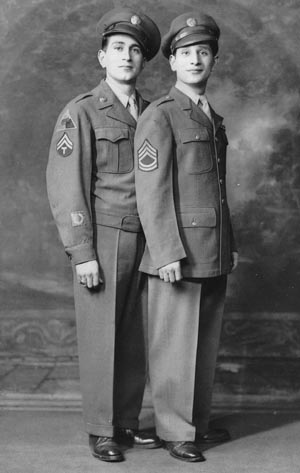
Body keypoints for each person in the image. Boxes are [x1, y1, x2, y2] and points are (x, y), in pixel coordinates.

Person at [46, 8, 161, 463]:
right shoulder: (82, 112)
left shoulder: (153, 113)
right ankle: (101, 429)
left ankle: (127, 423)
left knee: (134, 337)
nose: (127, 56)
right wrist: (82, 252)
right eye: (118, 48)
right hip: (105, 237)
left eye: (136, 50)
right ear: (102, 57)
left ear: (143, 60)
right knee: (102, 336)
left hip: (147, 238)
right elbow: (65, 183)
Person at [135, 11, 238, 463]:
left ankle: (192, 421)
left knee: (204, 342)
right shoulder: (162, 115)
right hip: (176, 251)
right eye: (185, 53)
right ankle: (174, 429)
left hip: (212, 249)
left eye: (203, 52)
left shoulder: (210, 115)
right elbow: (151, 192)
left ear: (213, 60)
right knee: (175, 344)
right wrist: (164, 252)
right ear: (172, 63)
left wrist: (228, 243)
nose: (195, 59)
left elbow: (216, 190)